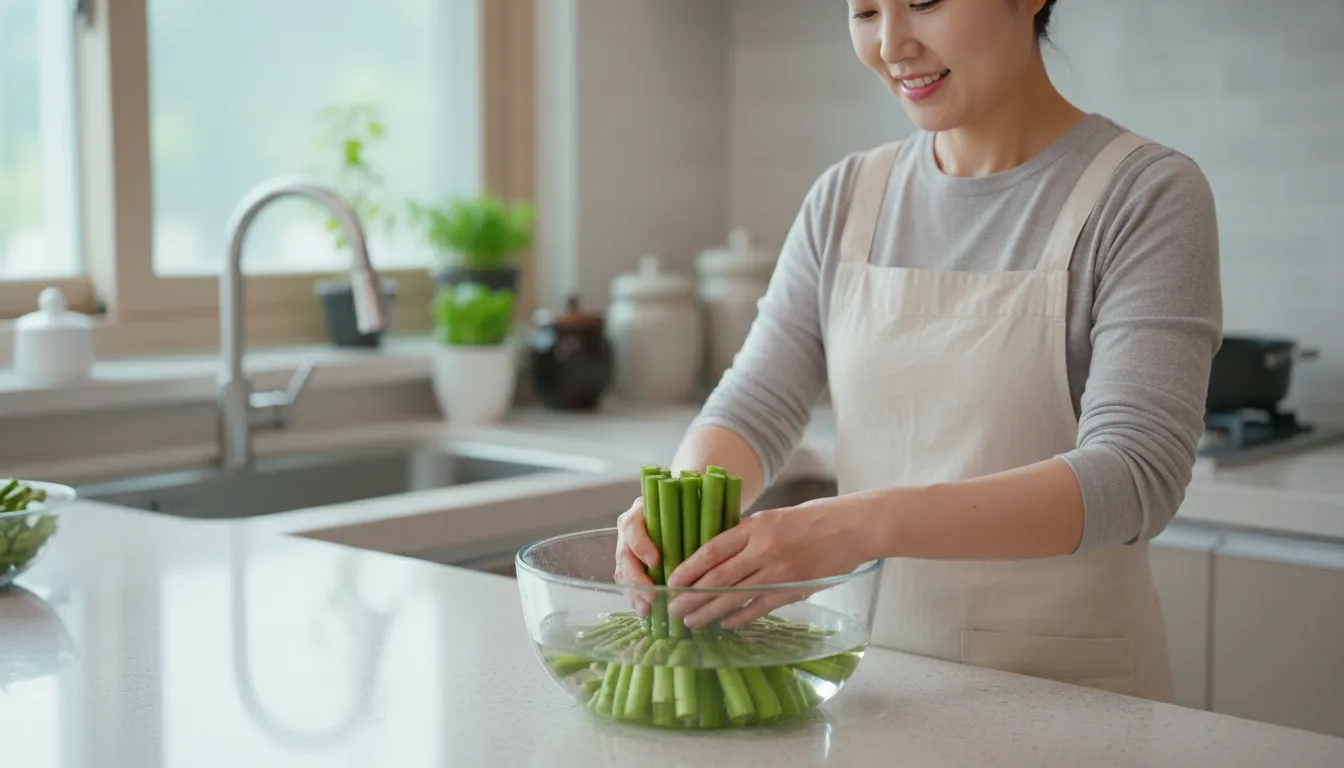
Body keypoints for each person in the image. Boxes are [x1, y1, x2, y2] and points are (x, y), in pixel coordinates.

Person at [613, 0, 1221, 703]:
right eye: (865, 10)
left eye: (925, 1)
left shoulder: (1146, 194)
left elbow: (1133, 476)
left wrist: (855, 526)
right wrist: (685, 509)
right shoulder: (846, 197)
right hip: (871, 687)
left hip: (1067, 700)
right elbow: (755, 403)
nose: (892, 43)